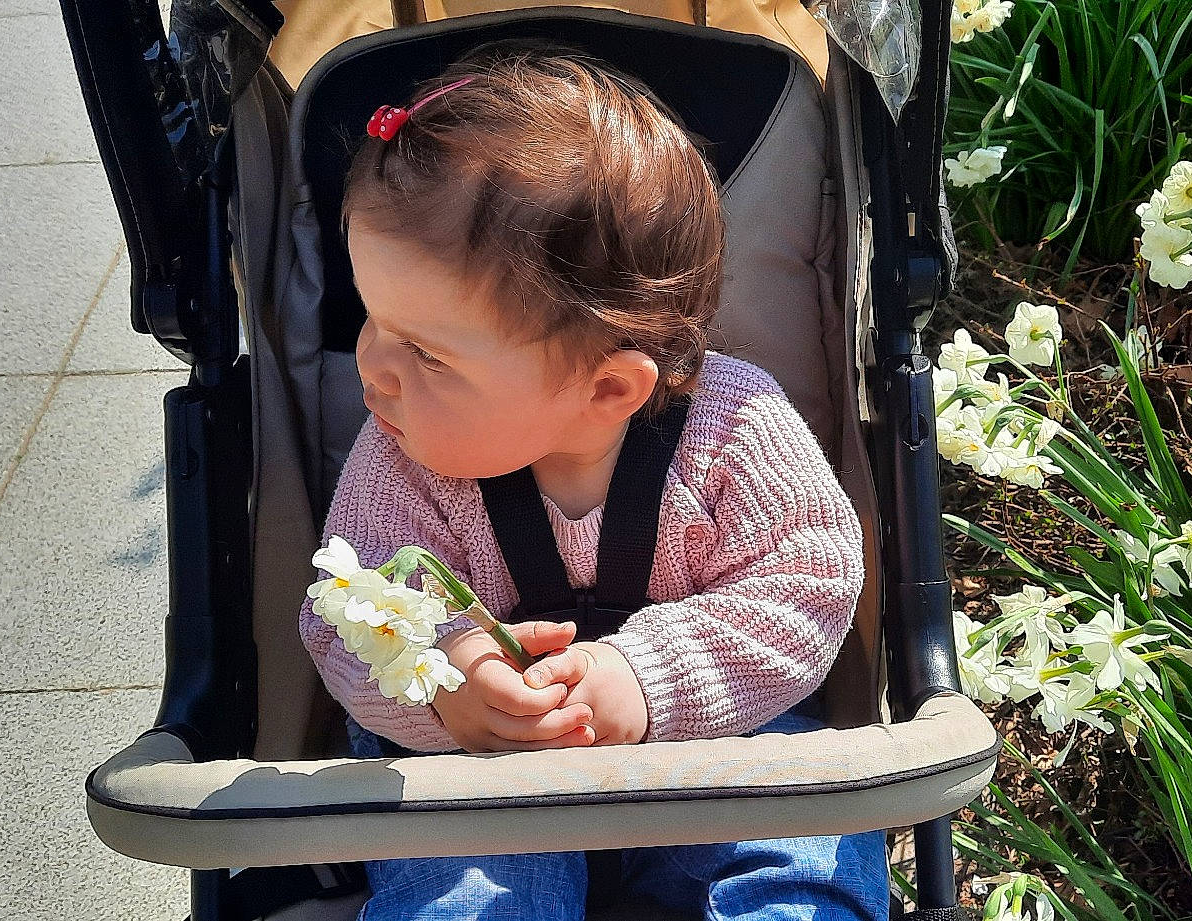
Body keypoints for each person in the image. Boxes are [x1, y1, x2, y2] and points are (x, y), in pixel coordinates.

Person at [298, 40, 886, 921]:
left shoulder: (733, 433)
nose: (373, 370)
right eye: (371, 319)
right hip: (485, 782)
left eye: (425, 351)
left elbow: (809, 585)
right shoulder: (403, 461)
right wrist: (447, 675)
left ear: (607, 388)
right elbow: (345, 613)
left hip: (715, 750)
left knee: (802, 854)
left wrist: (645, 677)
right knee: (462, 888)